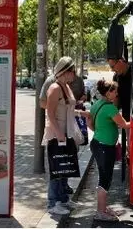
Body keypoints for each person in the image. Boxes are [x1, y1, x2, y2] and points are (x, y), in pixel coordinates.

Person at [84, 79, 130, 222]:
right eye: (114, 91)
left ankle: (103, 208)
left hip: (97, 143)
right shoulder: (110, 108)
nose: (116, 94)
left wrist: (103, 130)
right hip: (104, 146)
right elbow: (124, 125)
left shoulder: (97, 104)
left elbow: (90, 124)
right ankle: (100, 212)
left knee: (104, 176)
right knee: (105, 178)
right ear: (108, 92)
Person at [41, 56, 81, 216]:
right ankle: (53, 203)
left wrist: (81, 113)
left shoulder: (66, 86)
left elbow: (68, 108)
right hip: (57, 134)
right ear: (65, 71)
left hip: (67, 133)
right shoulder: (55, 88)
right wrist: (58, 133)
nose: (75, 74)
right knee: (56, 169)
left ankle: (63, 199)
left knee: (65, 167)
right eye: (73, 71)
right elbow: (49, 113)